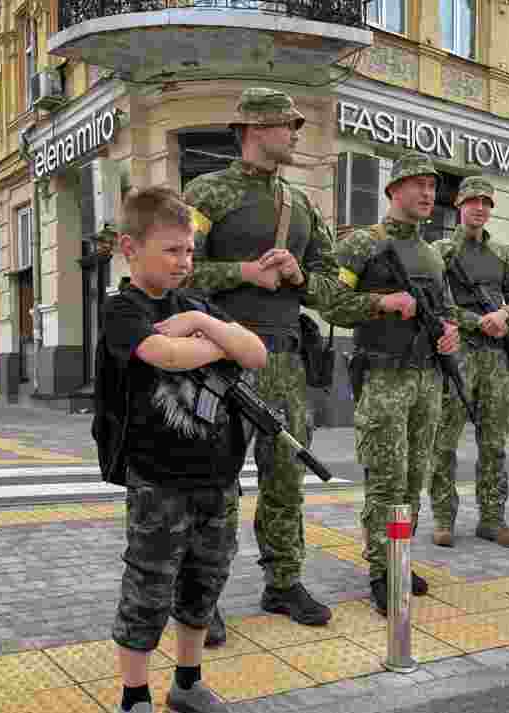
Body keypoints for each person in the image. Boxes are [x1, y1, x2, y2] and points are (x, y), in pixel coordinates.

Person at [95, 186, 268, 713]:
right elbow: (164, 357)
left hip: (217, 476)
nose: (184, 262)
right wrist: (218, 344)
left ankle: (187, 684)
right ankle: (133, 698)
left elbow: (257, 353)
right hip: (158, 477)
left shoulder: (192, 304)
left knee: (205, 581)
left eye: (189, 251)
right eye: (172, 251)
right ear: (129, 247)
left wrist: (197, 319)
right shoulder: (122, 308)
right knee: (149, 585)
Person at [183, 88, 345, 637]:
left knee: (285, 482)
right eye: (288, 125)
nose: (297, 134)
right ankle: (204, 596)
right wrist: (243, 274)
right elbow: (178, 275)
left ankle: (283, 584)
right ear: (255, 130)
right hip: (222, 362)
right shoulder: (206, 192)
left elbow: (332, 291)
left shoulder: (300, 206)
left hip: (287, 364)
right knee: (216, 482)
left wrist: (300, 276)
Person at [322, 153, 460, 615]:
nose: (426, 194)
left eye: (431, 187)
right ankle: (382, 569)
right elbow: (331, 303)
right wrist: (383, 303)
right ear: (393, 190)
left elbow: (446, 309)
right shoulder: (363, 244)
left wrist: (451, 331)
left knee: (415, 476)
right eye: (417, 184)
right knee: (386, 478)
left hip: (427, 379)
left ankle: (400, 555)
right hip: (383, 376)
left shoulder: (432, 254)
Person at [428, 176, 509, 549]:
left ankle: (492, 518)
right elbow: (436, 301)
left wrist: (505, 315)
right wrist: (476, 322)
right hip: (459, 354)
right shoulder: (441, 251)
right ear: (459, 205)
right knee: (445, 440)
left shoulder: (501, 254)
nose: (480, 208)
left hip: (496, 358)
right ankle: (443, 518)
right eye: (473, 201)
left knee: (494, 443)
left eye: (486, 202)